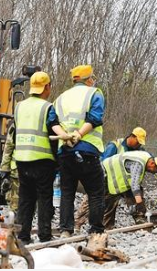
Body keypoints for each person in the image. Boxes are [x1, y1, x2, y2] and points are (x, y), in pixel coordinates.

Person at [53, 64, 106, 238]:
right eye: (92, 78)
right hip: (88, 149)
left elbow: (52, 122)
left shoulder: (60, 98)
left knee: (67, 191)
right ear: (89, 79)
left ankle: (65, 230)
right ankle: (96, 231)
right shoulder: (94, 93)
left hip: (65, 151)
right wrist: (79, 134)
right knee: (96, 192)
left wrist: (65, 136)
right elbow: (95, 118)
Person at [9, 72, 60, 243]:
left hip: (22, 159)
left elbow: (15, 133)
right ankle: (45, 236)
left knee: (26, 197)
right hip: (43, 160)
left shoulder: (19, 106)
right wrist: (57, 160)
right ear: (47, 87)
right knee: (44, 197)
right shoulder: (48, 107)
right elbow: (54, 135)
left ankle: (23, 236)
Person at [98, 152, 157, 229]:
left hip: (117, 179)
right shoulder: (138, 165)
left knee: (132, 196)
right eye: (155, 171)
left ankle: (141, 223)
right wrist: (139, 203)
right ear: (152, 164)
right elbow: (134, 184)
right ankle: (94, 224)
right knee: (103, 202)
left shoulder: (147, 157)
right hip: (106, 174)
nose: (154, 173)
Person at [0, 120, 19, 214]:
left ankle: (17, 223)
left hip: (17, 169)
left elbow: (9, 146)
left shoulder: (19, 119)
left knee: (15, 204)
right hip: (39, 168)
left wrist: (4, 168)